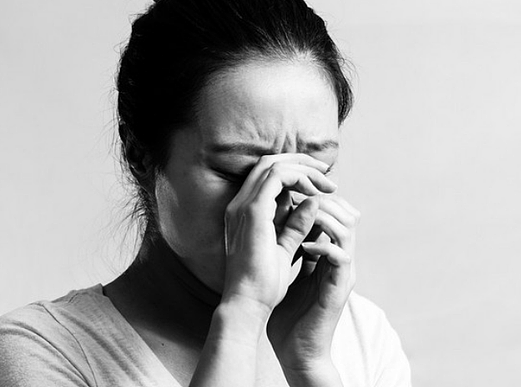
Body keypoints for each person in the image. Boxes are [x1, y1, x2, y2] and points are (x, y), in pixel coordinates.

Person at [0, 0, 412, 385]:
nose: (276, 202)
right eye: (239, 170)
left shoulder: (361, 336)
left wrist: (309, 365)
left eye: (314, 167)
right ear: (140, 155)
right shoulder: (43, 351)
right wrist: (243, 311)